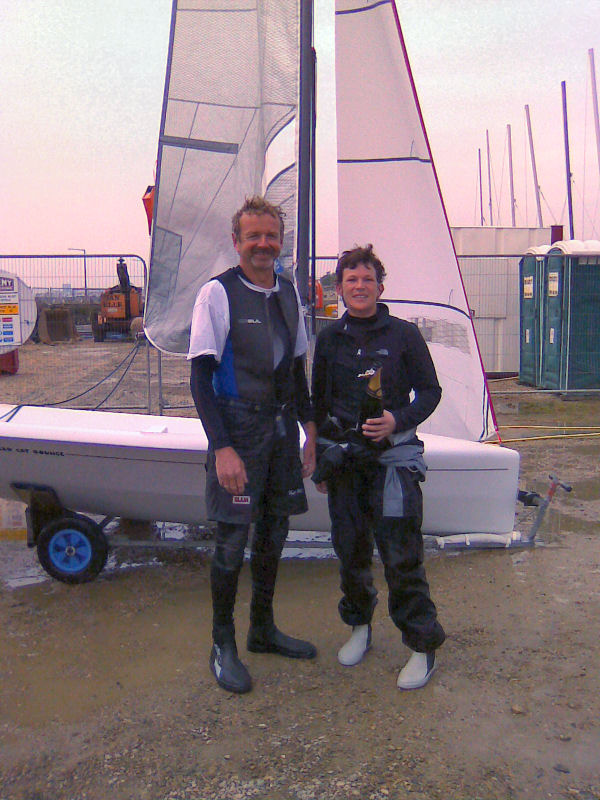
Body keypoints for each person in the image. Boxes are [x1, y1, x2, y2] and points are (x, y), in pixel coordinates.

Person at [188, 195, 317, 694]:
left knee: (274, 534)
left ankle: (262, 629)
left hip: (282, 432)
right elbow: (200, 379)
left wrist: (311, 431)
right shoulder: (216, 295)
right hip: (238, 432)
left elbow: (298, 369)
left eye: (271, 235)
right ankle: (223, 644)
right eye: (253, 236)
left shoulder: (288, 293)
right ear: (236, 241)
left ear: (280, 240)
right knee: (231, 542)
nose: (263, 244)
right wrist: (221, 447)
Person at [311, 244, 445, 690]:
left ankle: (422, 647)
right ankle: (360, 627)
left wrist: (396, 419)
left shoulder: (405, 335)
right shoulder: (329, 339)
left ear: (380, 286)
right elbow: (319, 401)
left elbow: (430, 392)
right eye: (351, 280)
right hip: (347, 464)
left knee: (401, 557)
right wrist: (321, 455)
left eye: (367, 279)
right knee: (350, 552)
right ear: (341, 289)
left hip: (392, 463)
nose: (360, 286)